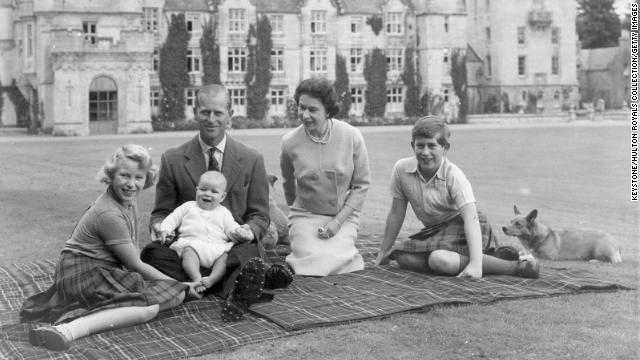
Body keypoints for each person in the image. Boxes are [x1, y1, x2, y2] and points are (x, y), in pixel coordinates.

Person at [20, 145, 199, 352]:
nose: (131, 184)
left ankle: (98, 311)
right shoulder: (108, 214)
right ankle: (67, 330)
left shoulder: (129, 200)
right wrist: (183, 284)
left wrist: (177, 288)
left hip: (101, 270)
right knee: (149, 308)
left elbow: (134, 249)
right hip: (80, 272)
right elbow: (136, 265)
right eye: (124, 175)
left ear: (146, 178)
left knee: (173, 295)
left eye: (138, 177)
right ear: (111, 175)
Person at [141, 84, 292, 322]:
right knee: (151, 254)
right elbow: (161, 212)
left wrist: (248, 231)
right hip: (189, 252)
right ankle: (239, 283)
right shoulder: (173, 159)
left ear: (230, 115)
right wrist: (160, 228)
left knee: (249, 251)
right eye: (205, 112)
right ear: (195, 112)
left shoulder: (252, 159)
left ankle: (203, 284)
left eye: (218, 113)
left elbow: (260, 216)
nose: (211, 119)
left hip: (232, 249)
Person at [375, 116, 540, 279]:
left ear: (445, 148)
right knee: (402, 257)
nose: (425, 152)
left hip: (465, 226)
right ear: (413, 146)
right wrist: (384, 251)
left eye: (432, 146)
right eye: (420, 146)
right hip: (435, 231)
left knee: (439, 259)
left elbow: (472, 218)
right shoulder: (401, 170)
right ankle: (492, 258)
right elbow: (397, 212)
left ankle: (515, 266)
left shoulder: (454, 175)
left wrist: (475, 265)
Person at [280, 77, 371, 276]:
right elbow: (288, 186)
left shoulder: (352, 136)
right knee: (312, 259)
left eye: (312, 110)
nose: (305, 115)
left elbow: (361, 186)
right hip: (305, 216)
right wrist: (299, 216)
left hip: (343, 217)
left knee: (338, 260)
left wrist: (338, 222)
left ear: (328, 110)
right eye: (301, 107)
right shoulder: (289, 142)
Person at [159, 171, 253, 293]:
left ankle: (212, 279)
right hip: (193, 245)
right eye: (203, 189)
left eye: (214, 192)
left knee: (225, 257)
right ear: (196, 190)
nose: (208, 194)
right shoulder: (188, 207)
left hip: (217, 248)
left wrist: (241, 232)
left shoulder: (224, 212)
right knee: (188, 253)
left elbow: (232, 228)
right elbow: (172, 218)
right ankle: (197, 278)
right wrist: (165, 229)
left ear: (222, 197)